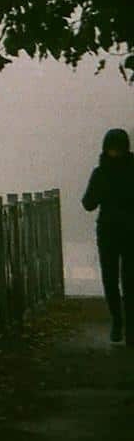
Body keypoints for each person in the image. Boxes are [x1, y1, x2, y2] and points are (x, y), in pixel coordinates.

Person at [82, 127, 134, 344]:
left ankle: (120, 323)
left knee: (113, 279)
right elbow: (89, 203)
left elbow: (88, 203)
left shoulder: (100, 172)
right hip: (126, 231)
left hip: (109, 231)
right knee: (125, 280)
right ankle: (126, 326)